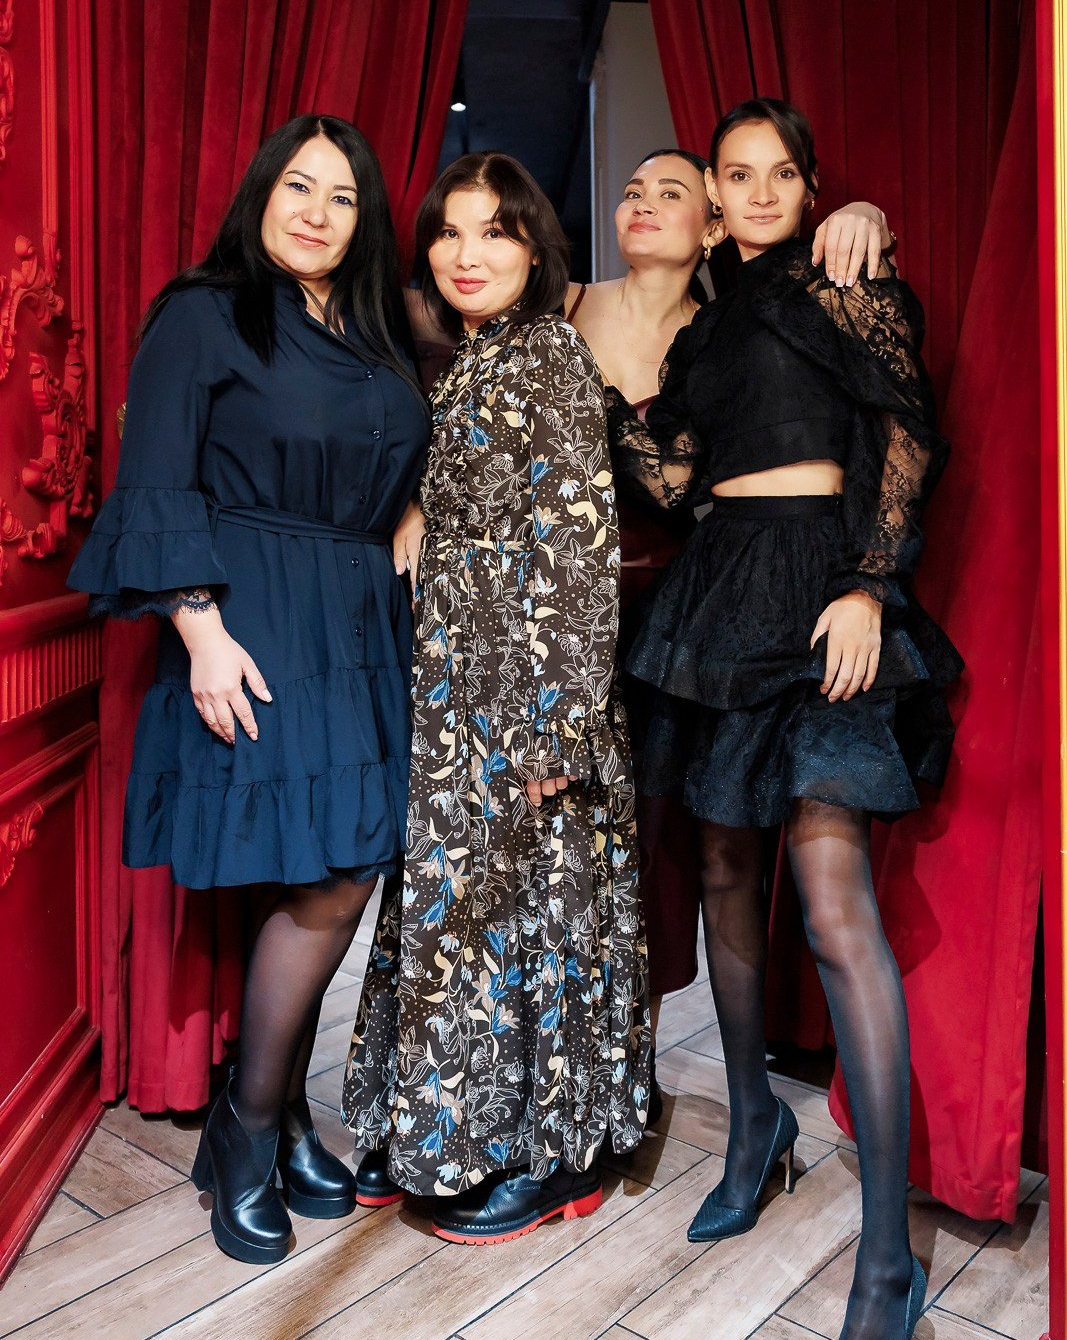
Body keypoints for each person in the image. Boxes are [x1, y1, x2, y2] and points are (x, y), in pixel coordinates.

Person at [605, 98, 961, 1340]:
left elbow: (905, 432)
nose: (754, 192)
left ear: (809, 188)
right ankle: (753, 1129)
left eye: (777, 175)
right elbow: (678, 476)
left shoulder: (845, 277)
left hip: (822, 587)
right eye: (731, 174)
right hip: (718, 587)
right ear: (711, 192)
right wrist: (608, 397)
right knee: (716, 866)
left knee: (829, 899)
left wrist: (870, 582)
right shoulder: (704, 331)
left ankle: (884, 1266)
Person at [68, 115, 430, 1265]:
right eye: (298, 187)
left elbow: (412, 441)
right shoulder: (205, 311)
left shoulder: (373, 328)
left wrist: (411, 507)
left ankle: (271, 1118)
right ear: (261, 193)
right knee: (329, 870)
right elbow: (155, 475)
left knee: (338, 859)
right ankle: (252, 1125)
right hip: (251, 617)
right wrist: (198, 629)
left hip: (356, 618)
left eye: (342, 197)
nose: (316, 212)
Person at [343, 151, 649, 1243]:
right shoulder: (476, 356)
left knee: (532, 915)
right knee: (457, 913)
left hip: (523, 690)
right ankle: (438, 1130)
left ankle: (554, 1155)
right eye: (449, 231)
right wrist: (420, 512)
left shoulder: (549, 351)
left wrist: (556, 725)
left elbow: (578, 544)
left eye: (495, 232)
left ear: (534, 248)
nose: (467, 255)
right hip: (453, 681)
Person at [563, 149, 895, 1095]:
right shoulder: (560, 303)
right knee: (582, 854)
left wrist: (868, 212)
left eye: (670, 191)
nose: (640, 204)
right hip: (571, 605)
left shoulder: (724, 332)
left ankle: (629, 1084)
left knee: (663, 857)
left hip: (679, 606)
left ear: (710, 221)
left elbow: (688, 478)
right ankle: (578, 1086)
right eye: (631, 190)